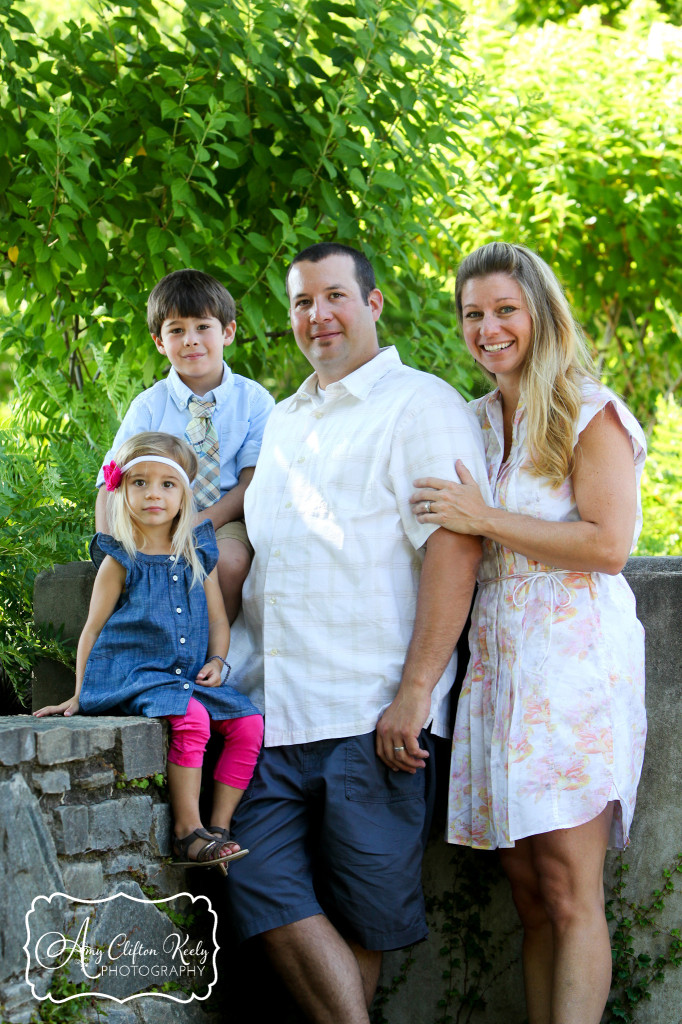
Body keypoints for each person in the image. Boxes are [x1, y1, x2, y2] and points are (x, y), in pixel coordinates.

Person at [224, 242, 491, 1023]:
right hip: (268, 712)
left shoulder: (421, 405)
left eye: (335, 296)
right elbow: (261, 542)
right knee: (250, 875)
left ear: (372, 305)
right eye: (303, 301)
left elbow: (455, 547)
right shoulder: (283, 419)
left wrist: (413, 696)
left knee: (363, 918)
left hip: (371, 716)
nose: (318, 315)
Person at [410, 241, 647, 1024]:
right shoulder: (472, 420)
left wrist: (485, 518)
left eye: (505, 310)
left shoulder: (589, 412)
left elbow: (610, 546)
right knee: (527, 891)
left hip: (572, 662)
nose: (488, 328)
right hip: (500, 665)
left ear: (540, 315)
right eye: (474, 314)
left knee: (569, 889)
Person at [36, 432, 264, 873]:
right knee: (193, 720)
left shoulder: (198, 554)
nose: (152, 494)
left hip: (183, 678)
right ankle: (186, 831)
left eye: (167, 484)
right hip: (134, 673)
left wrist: (217, 661)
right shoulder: (121, 559)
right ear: (121, 491)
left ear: (184, 496)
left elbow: (219, 621)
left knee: (248, 723)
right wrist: (79, 692)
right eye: (139, 482)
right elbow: (92, 629)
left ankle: (217, 829)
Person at [95, 269, 274, 622]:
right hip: (158, 515)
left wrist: (199, 521)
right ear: (160, 342)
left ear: (228, 331)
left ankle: (214, 651)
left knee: (231, 562)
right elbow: (111, 477)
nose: (190, 340)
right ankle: (164, 646)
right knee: (148, 574)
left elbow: (252, 483)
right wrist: (109, 545)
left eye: (202, 327)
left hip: (225, 517)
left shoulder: (254, 401)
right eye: (176, 330)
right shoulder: (148, 406)